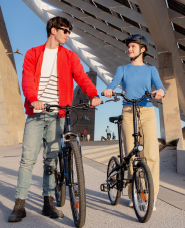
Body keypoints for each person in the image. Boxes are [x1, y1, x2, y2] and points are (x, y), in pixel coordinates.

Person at [8, 16, 102, 223]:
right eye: (65, 31)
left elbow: (82, 78)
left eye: (69, 31)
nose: (68, 35)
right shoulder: (33, 53)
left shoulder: (69, 56)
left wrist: (94, 94)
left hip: (58, 114)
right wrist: (33, 100)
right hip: (36, 113)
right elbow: (27, 80)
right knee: (27, 160)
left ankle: (48, 202)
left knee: (50, 160)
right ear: (53, 30)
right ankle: (19, 204)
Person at [103, 34, 166, 211]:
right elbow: (114, 83)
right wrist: (109, 89)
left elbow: (161, 86)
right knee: (130, 154)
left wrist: (161, 91)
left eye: (133, 47)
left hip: (147, 112)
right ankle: (133, 193)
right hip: (128, 112)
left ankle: (151, 196)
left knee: (152, 155)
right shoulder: (122, 68)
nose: (129, 49)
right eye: (128, 47)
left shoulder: (151, 69)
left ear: (143, 49)